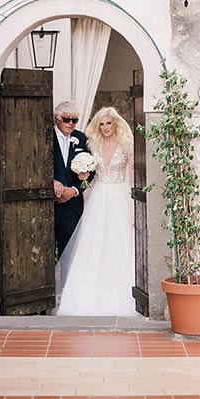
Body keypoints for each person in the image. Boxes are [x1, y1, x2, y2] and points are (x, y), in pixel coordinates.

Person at [57, 107, 136, 316]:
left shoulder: (127, 144)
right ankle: (84, 295)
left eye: (109, 123)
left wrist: (135, 204)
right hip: (98, 196)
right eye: (101, 124)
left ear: (116, 123)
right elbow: (88, 173)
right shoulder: (93, 144)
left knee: (120, 240)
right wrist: (83, 174)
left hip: (120, 195)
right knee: (93, 242)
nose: (105, 127)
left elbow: (133, 175)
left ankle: (122, 294)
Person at [53, 100, 89, 257]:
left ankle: (68, 282)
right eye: (66, 119)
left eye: (74, 120)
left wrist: (74, 190)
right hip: (48, 205)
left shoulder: (81, 138)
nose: (70, 123)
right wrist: (51, 182)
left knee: (71, 252)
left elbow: (91, 170)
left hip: (73, 206)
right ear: (57, 118)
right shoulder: (45, 136)